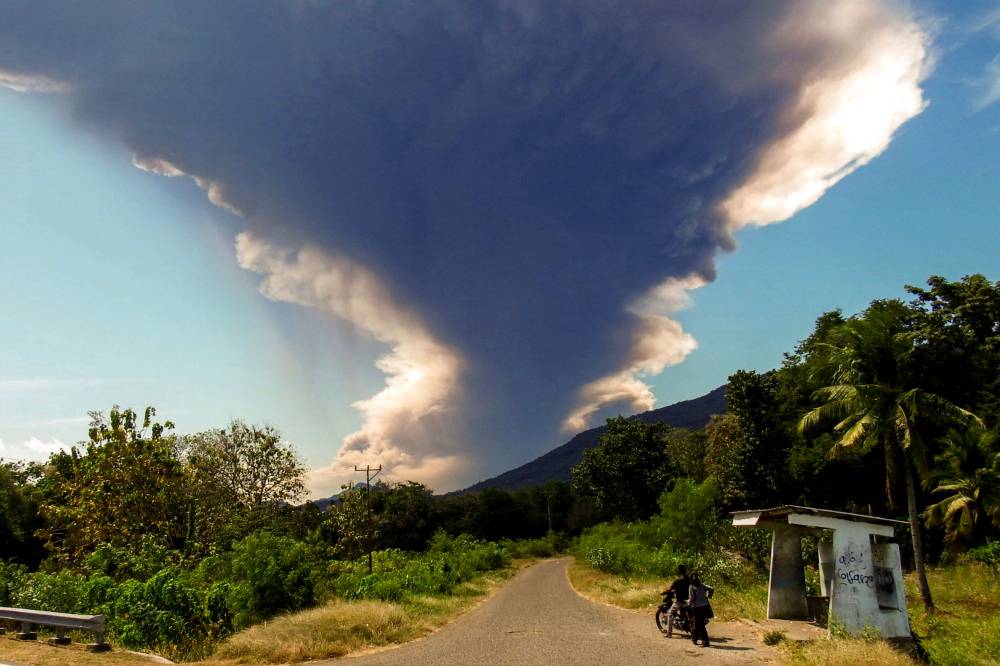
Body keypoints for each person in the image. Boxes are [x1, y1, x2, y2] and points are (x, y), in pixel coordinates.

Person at [687, 572, 714, 647]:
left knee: (700, 624)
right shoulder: (701, 585)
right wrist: (709, 596)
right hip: (705, 606)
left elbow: (691, 598)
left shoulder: (691, 587)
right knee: (696, 623)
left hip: (697, 607)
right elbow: (711, 589)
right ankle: (694, 639)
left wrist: (688, 604)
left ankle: (706, 642)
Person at [662, 565, 690, 638]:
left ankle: (669, 633)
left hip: (680, 601)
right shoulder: (689, 579)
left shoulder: (678, 580)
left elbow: (670, 589)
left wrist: (663, 592)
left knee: (670, 613)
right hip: (689, 600)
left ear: (679, 571)